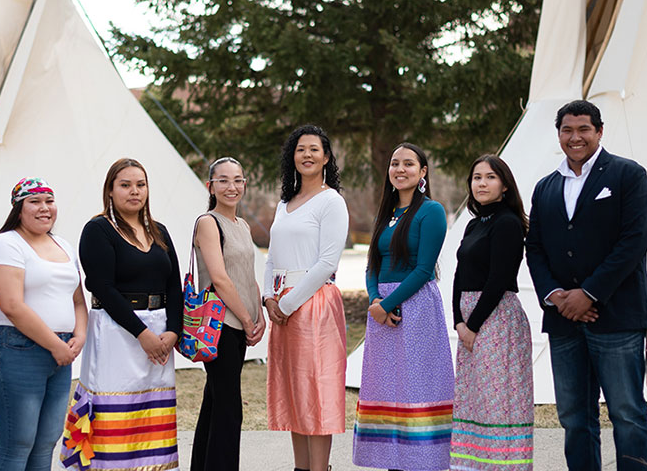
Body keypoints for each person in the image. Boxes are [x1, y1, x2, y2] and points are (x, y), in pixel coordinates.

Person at [525, 99, 647, 470]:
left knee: (627, 414)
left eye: (584, 129)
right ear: (559, 135)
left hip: (617, 317)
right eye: (567, 130)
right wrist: (555, 295)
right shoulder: (545, 187)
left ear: (600, 131)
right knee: (574, 417)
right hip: (564, 320)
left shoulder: (628, 176)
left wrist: (589, 293)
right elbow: (534, 247)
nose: (575, 137)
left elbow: (634, 242)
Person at [60, 158, 184, 471]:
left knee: (149, 407)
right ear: (111, 190)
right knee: (117, 407)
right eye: (125, 185)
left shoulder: (160, 231)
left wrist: (173, 332)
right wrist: (141, 333)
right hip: (117, 330)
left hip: (160, 333)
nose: (134, 191)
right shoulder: (98, 229)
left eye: (140, 185)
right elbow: (101, 286)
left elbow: (174, 285)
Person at [352, 143, 453, 471]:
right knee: (389, 387)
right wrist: (375, 300)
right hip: (382, 310)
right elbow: (372, 264)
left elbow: (424, 269)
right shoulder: (387, 211)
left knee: (417, 386)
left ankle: (424, 462)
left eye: (408, 164)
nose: (400, 169)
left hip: (416, 306)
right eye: (395, 163)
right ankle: (394, 461)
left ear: (423, 172)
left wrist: (389, 304)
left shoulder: (431, 211)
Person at [0, 177, 88, 471]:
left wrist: (79, 335)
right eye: (34, 202)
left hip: (61, 353)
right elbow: (12, 306)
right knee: (18, 444)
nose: (44, 208)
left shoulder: (62, 244)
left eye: (49, 201)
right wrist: (57, 346)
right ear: (18, 208)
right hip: (16, 350)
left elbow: (78, 299)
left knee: (45, 443)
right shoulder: (7, 244)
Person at [263, 124, 349, 471]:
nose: (307, 155)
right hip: (281, 306)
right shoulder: (285, 203)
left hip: (313, 305)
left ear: (326, 157)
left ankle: (319, 468)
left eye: (314, 149)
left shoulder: (331, 201)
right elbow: (271, 256)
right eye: (301, 149)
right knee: (294, 392)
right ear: (292, 157)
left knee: (316, 391)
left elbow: (327, 262)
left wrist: (286, 303)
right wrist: (269, 297)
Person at [449, 154, 533, 470]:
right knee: (475, 399)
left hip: (496, 319)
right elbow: (459, 274)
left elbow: (498, 279)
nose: (482, 183)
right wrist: (458, 321)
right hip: (468, 322)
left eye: (490, 177)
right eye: (477, 177)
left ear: (505, 186)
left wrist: (472, 324)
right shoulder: (473, 224)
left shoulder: (508, 224)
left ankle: (503, 465)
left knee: (497, 402)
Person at [189, 157, 267, 470]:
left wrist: (258, 312)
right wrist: (247, 320)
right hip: (220, 326)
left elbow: (247, 273)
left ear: (244, 185)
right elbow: (220, 278)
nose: (231, 187)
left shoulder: (242, 225)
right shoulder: (209, 222)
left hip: (240, 326)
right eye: (223, 180)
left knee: (215, 404)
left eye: (237, 180)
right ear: (211, 186)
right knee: (229, 410)